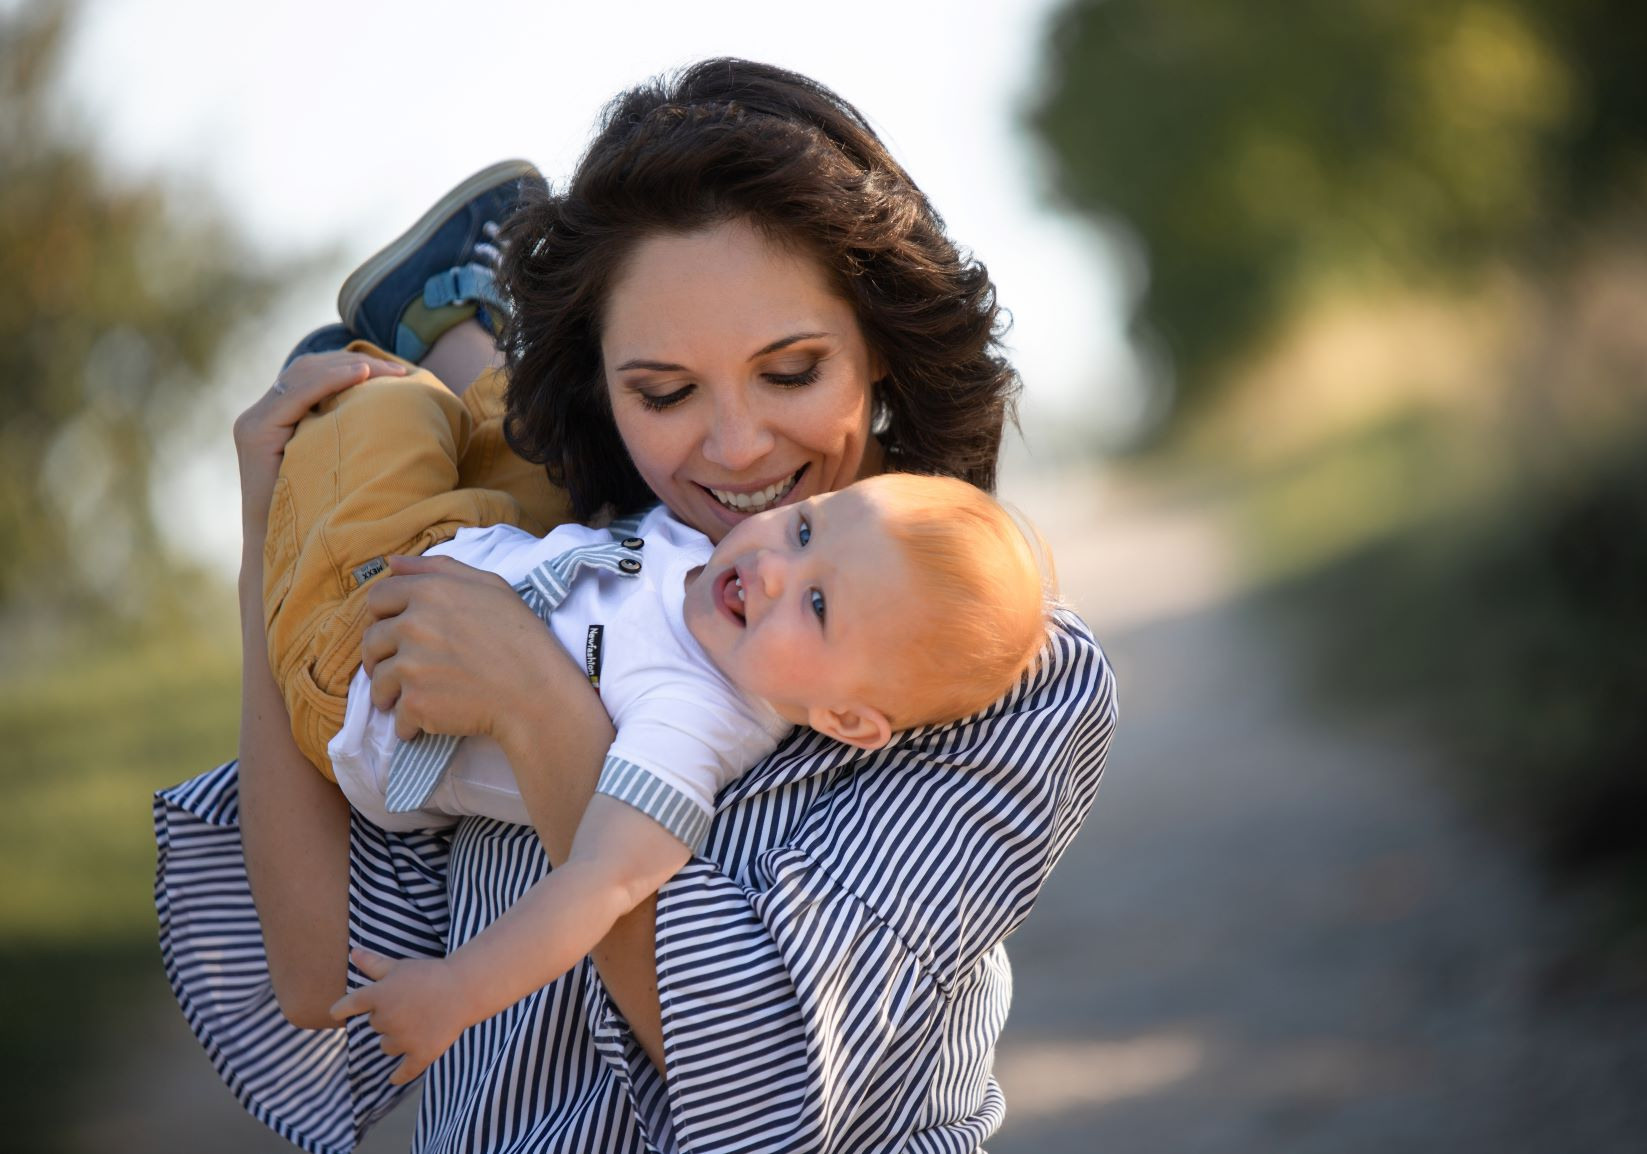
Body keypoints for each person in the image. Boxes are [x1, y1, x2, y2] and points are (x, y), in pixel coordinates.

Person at [156, 59, 1117, 1153]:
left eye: (791, 371)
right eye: (663, 392)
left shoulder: (1006, 676)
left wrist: (539, 702)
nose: (738, 447)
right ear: (606, 388)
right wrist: (277, 542)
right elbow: (317, 974)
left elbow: (769, 1083)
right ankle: (469, 337)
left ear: (877, 348)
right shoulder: (569, 572)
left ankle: (462, 325)